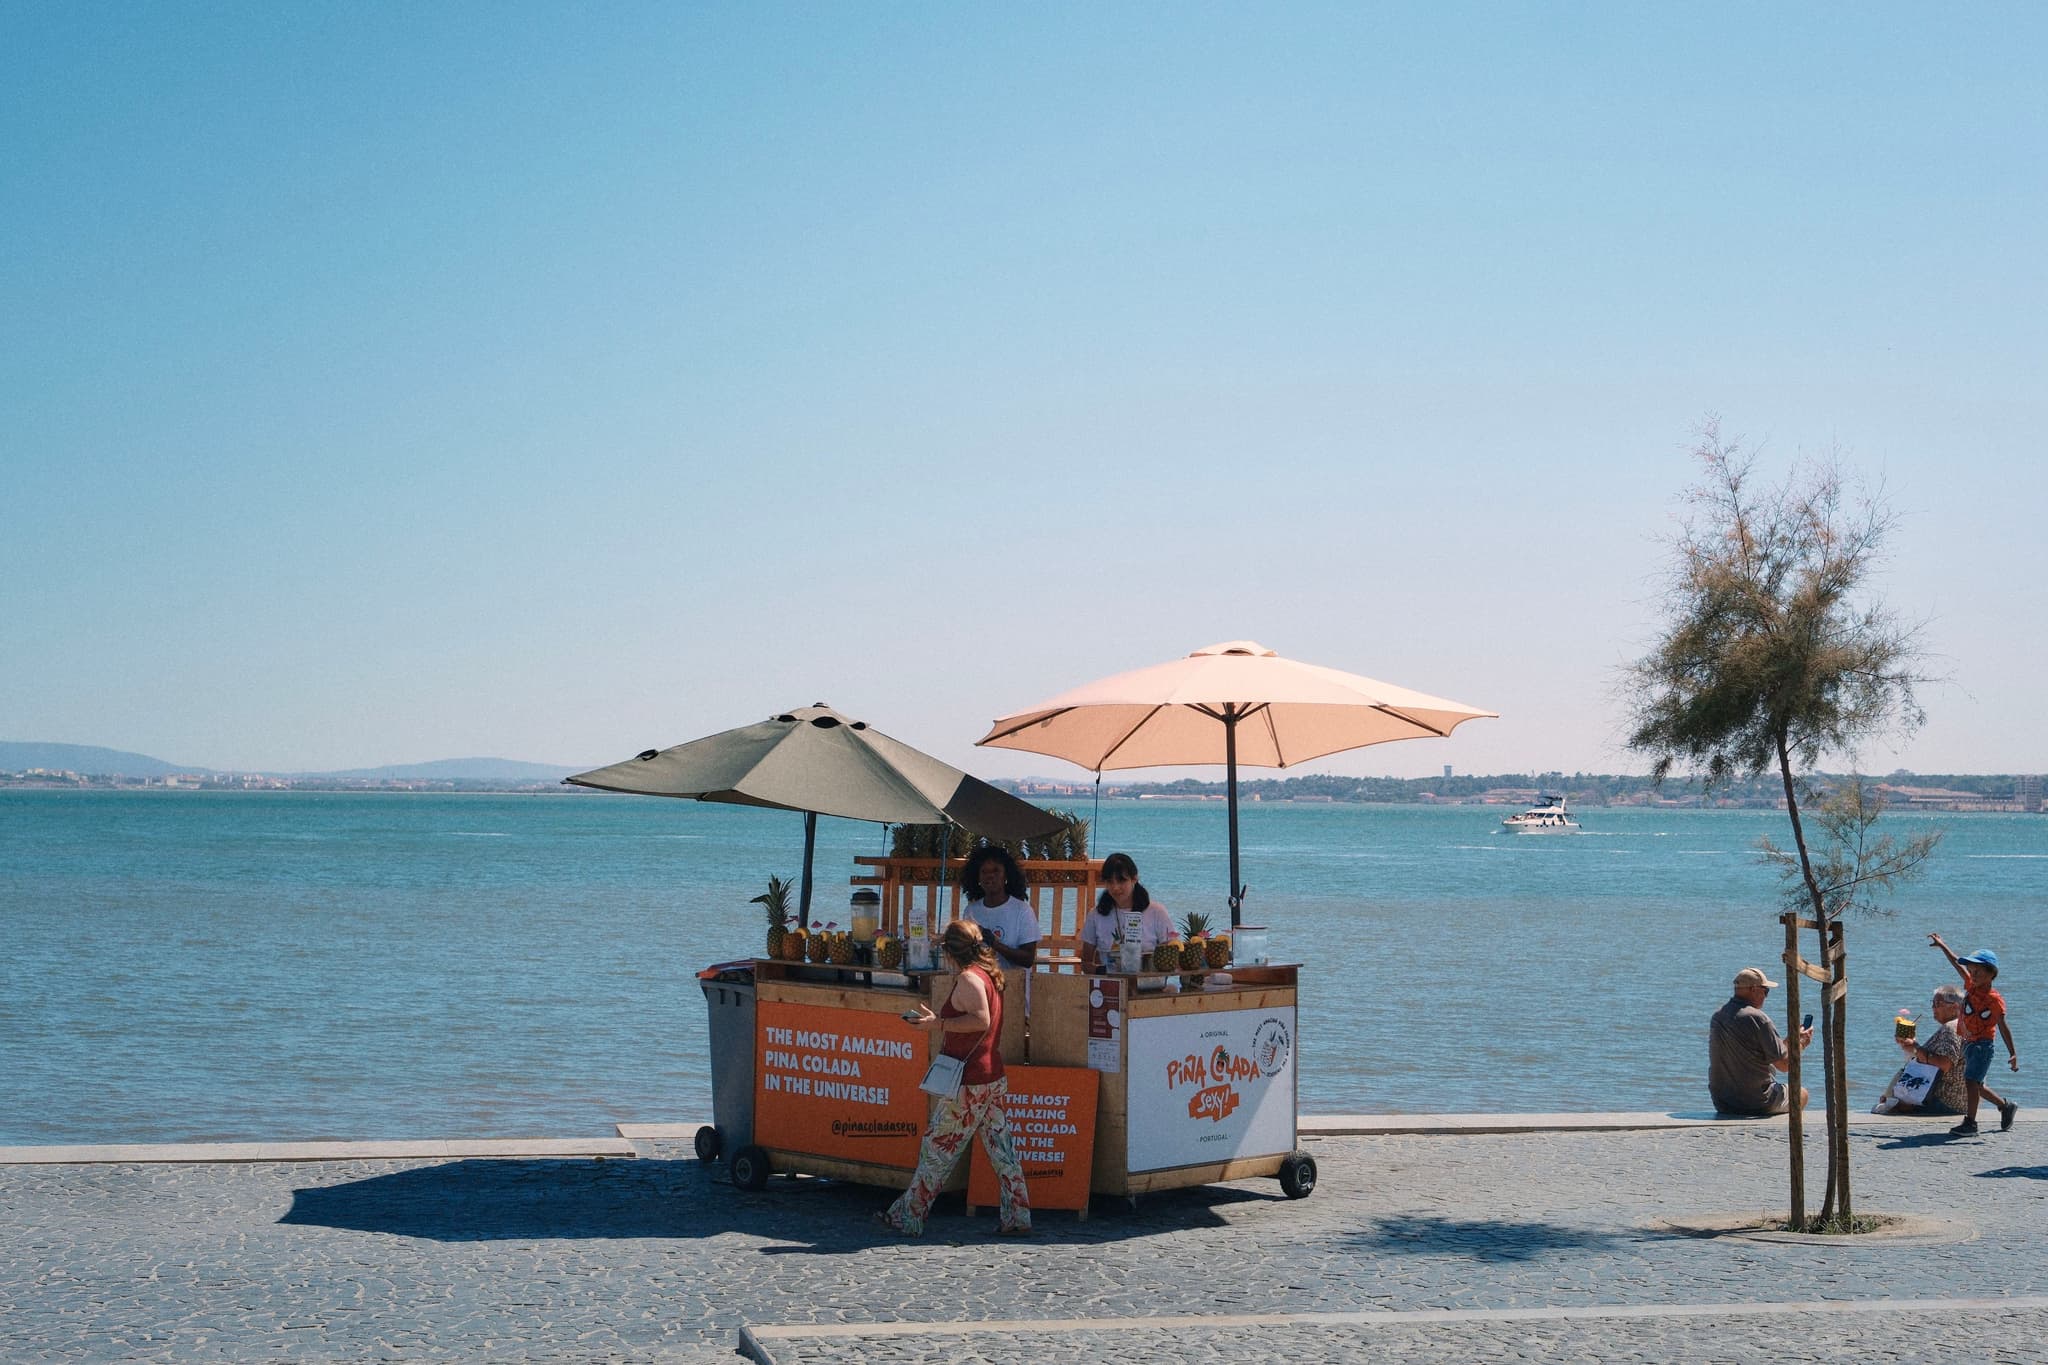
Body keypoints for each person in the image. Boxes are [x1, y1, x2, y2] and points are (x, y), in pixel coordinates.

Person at [877, 921, 1031, 1237]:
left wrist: (938, 1024)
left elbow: (980, 1020)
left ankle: (908, 1216)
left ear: (949, 951)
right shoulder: (989, 975)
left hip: (970, 1082)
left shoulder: (969, 979)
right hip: (991, 1076)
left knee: (936, 1150)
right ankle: (1017, 1216)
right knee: (1002, 1152)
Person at [1929, 933, 2019, 1134]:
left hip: (1983, 1045)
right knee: (1975, 1083)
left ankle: (1970, 1122)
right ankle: (2005, 1106)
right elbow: (1956, 963)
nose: (1973, 975)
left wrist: (2012, 1053)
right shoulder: (1970, 986)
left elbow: (2003, 1025)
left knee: (1971, 1081)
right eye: (1972, 971)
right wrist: (1943, 945)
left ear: (1991, 974)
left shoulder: (1994, 1000)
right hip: (1967, 1042)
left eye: (1978, 971)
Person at [1708, 966, 1813, 1116]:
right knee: (1802, 1093)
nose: (1765, 996)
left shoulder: (1718, 1016)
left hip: (1723, 1103)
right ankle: (1785, 1133)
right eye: (1766, 991)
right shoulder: (1759, 1019)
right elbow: (1784, 1065)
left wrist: (1791, 1041)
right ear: (1753, 990)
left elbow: (1773, 1054)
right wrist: (1801, 1043)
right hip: (1757, 1102)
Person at [1873, 984, 1967, 1116]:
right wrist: (1912, 1048)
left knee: (1883, 1108)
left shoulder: (1950, 1028)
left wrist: (1916, 1049)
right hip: (1959, 1100)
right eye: (1933, 1003)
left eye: (1938, 1003)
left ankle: (1891, 1102)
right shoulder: (1963, 1025)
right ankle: (1891, 1100)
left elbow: (1945, 1064)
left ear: (1955, 1006)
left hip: (1945, 1100)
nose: (1933, 1008)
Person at [1077, 851, 1174, 973]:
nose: (1115, 887)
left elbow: (1173, 955)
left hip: (1151, 985)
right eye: (1110, 882)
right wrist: (1104, 971)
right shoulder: (1095, 915)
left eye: (1121, 881)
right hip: (1110, 987)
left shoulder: (1157, 912)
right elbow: (1085, 963)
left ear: (1134, 879)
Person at [962, 846, 1039, 970]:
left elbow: (1028, 959)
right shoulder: (971, 911)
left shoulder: (1022, 911)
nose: (990, 876)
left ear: (1006, 876)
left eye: (996, 871)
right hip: (981, 984)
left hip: (1014, 985)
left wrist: (994, 944)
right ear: (977, 878)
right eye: (984, 872)